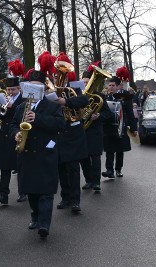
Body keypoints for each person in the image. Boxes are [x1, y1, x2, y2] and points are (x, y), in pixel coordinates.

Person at [11, 69, 66, 239]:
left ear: (43, 88)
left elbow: (60, 125)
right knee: (32, 192)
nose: (34, 90)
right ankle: (35, 216)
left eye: (38, 87)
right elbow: (13, 124)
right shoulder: (20, 107)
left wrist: (38, 118)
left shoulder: (52, 106)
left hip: (45, 153)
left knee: (46, 192)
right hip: (27, 155)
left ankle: (44, 224)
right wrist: (16, 134)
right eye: (31, 87)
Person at [53, 54, 89, 214]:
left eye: (61, 73)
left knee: (73, 169)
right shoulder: (52, 89)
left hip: (73, 133)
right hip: (59, 132)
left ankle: (75, 200)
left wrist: (66, 102)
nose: (58, 76)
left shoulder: (75, 87)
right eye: (57, 73)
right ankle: (65, 197)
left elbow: (84, 101)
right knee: (61, 168)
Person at [79, 69, 112, 193]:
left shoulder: (100, 96)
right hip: (82, 131)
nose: (86, 85)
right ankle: (89, 180)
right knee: (84, 158)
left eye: (88, 82)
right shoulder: (78, 96)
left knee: (96, 157)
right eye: (84, 83)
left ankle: (97, 182)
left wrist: (98, 115)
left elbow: (107, 114)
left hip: (95, 131)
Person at [0, 72, 25, 205]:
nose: (10, 92)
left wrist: (12, 108)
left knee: (21, 165)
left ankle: (23, 191)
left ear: (19, 89)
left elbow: (23, 114)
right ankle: (3, 194)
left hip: (18, 135)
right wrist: (0, 108)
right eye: (8, 89)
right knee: (4, 166)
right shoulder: (4, 99)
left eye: (13, 89)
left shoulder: (24, 100)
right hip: (4, 135)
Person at [102, 77, 138, 179]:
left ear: (118, 86)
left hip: (121, 126)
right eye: (109, 85)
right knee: (109, 149)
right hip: (109, 127)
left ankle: (118, 169)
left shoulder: (125, 98)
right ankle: (109, 170)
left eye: (113, 85)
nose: (111, 87)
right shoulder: (105, 97)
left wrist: (134, 128)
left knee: (119, 150)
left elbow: (130, 114)